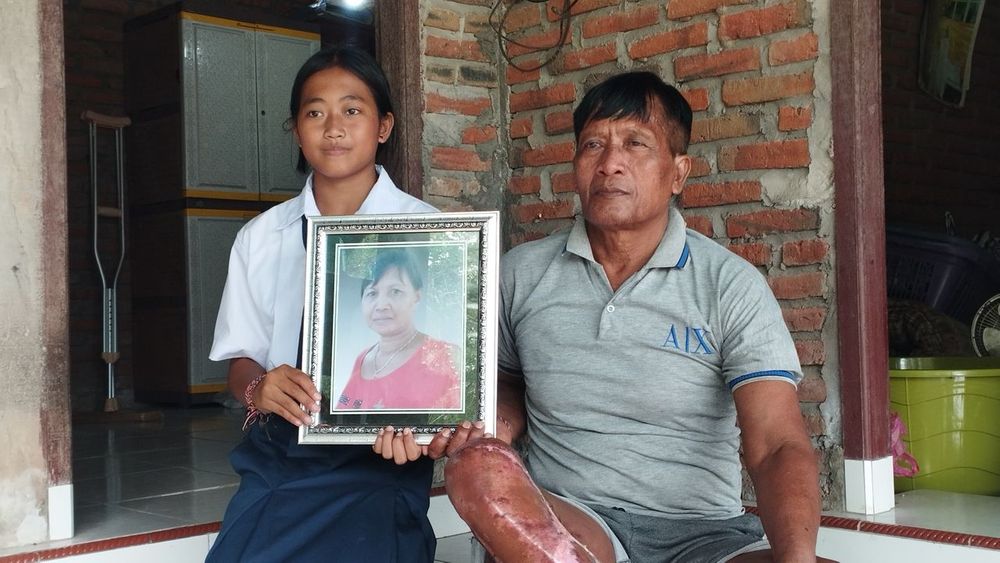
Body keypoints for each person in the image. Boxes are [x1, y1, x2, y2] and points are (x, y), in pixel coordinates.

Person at [428, 71, 831, 563]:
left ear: (678, 172)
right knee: (476, 469)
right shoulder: (520, 273)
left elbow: (776, 445)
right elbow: (507, 379)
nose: (610, 164)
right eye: (593, 145)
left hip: (705, 537)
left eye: (635, 144)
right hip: (574, 522)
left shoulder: (730, 284)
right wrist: (495, 427)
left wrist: (796, 558)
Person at [206, 46, 445, 562]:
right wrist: (259, 388)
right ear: (296, 130)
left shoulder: (430, 233)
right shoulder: (262, 237)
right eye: (315, 113)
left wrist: (426, 427)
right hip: (283, 460)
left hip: (384, 461)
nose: (333, 127)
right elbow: (240, 361)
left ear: (383, 126)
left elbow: (444, 373)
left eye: (352, 110)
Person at [337, 248, 462, 410]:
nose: (381, 305)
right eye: (372, 293)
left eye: (395, 291)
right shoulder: (362, 359)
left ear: (416, 297)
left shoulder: (447, 357)